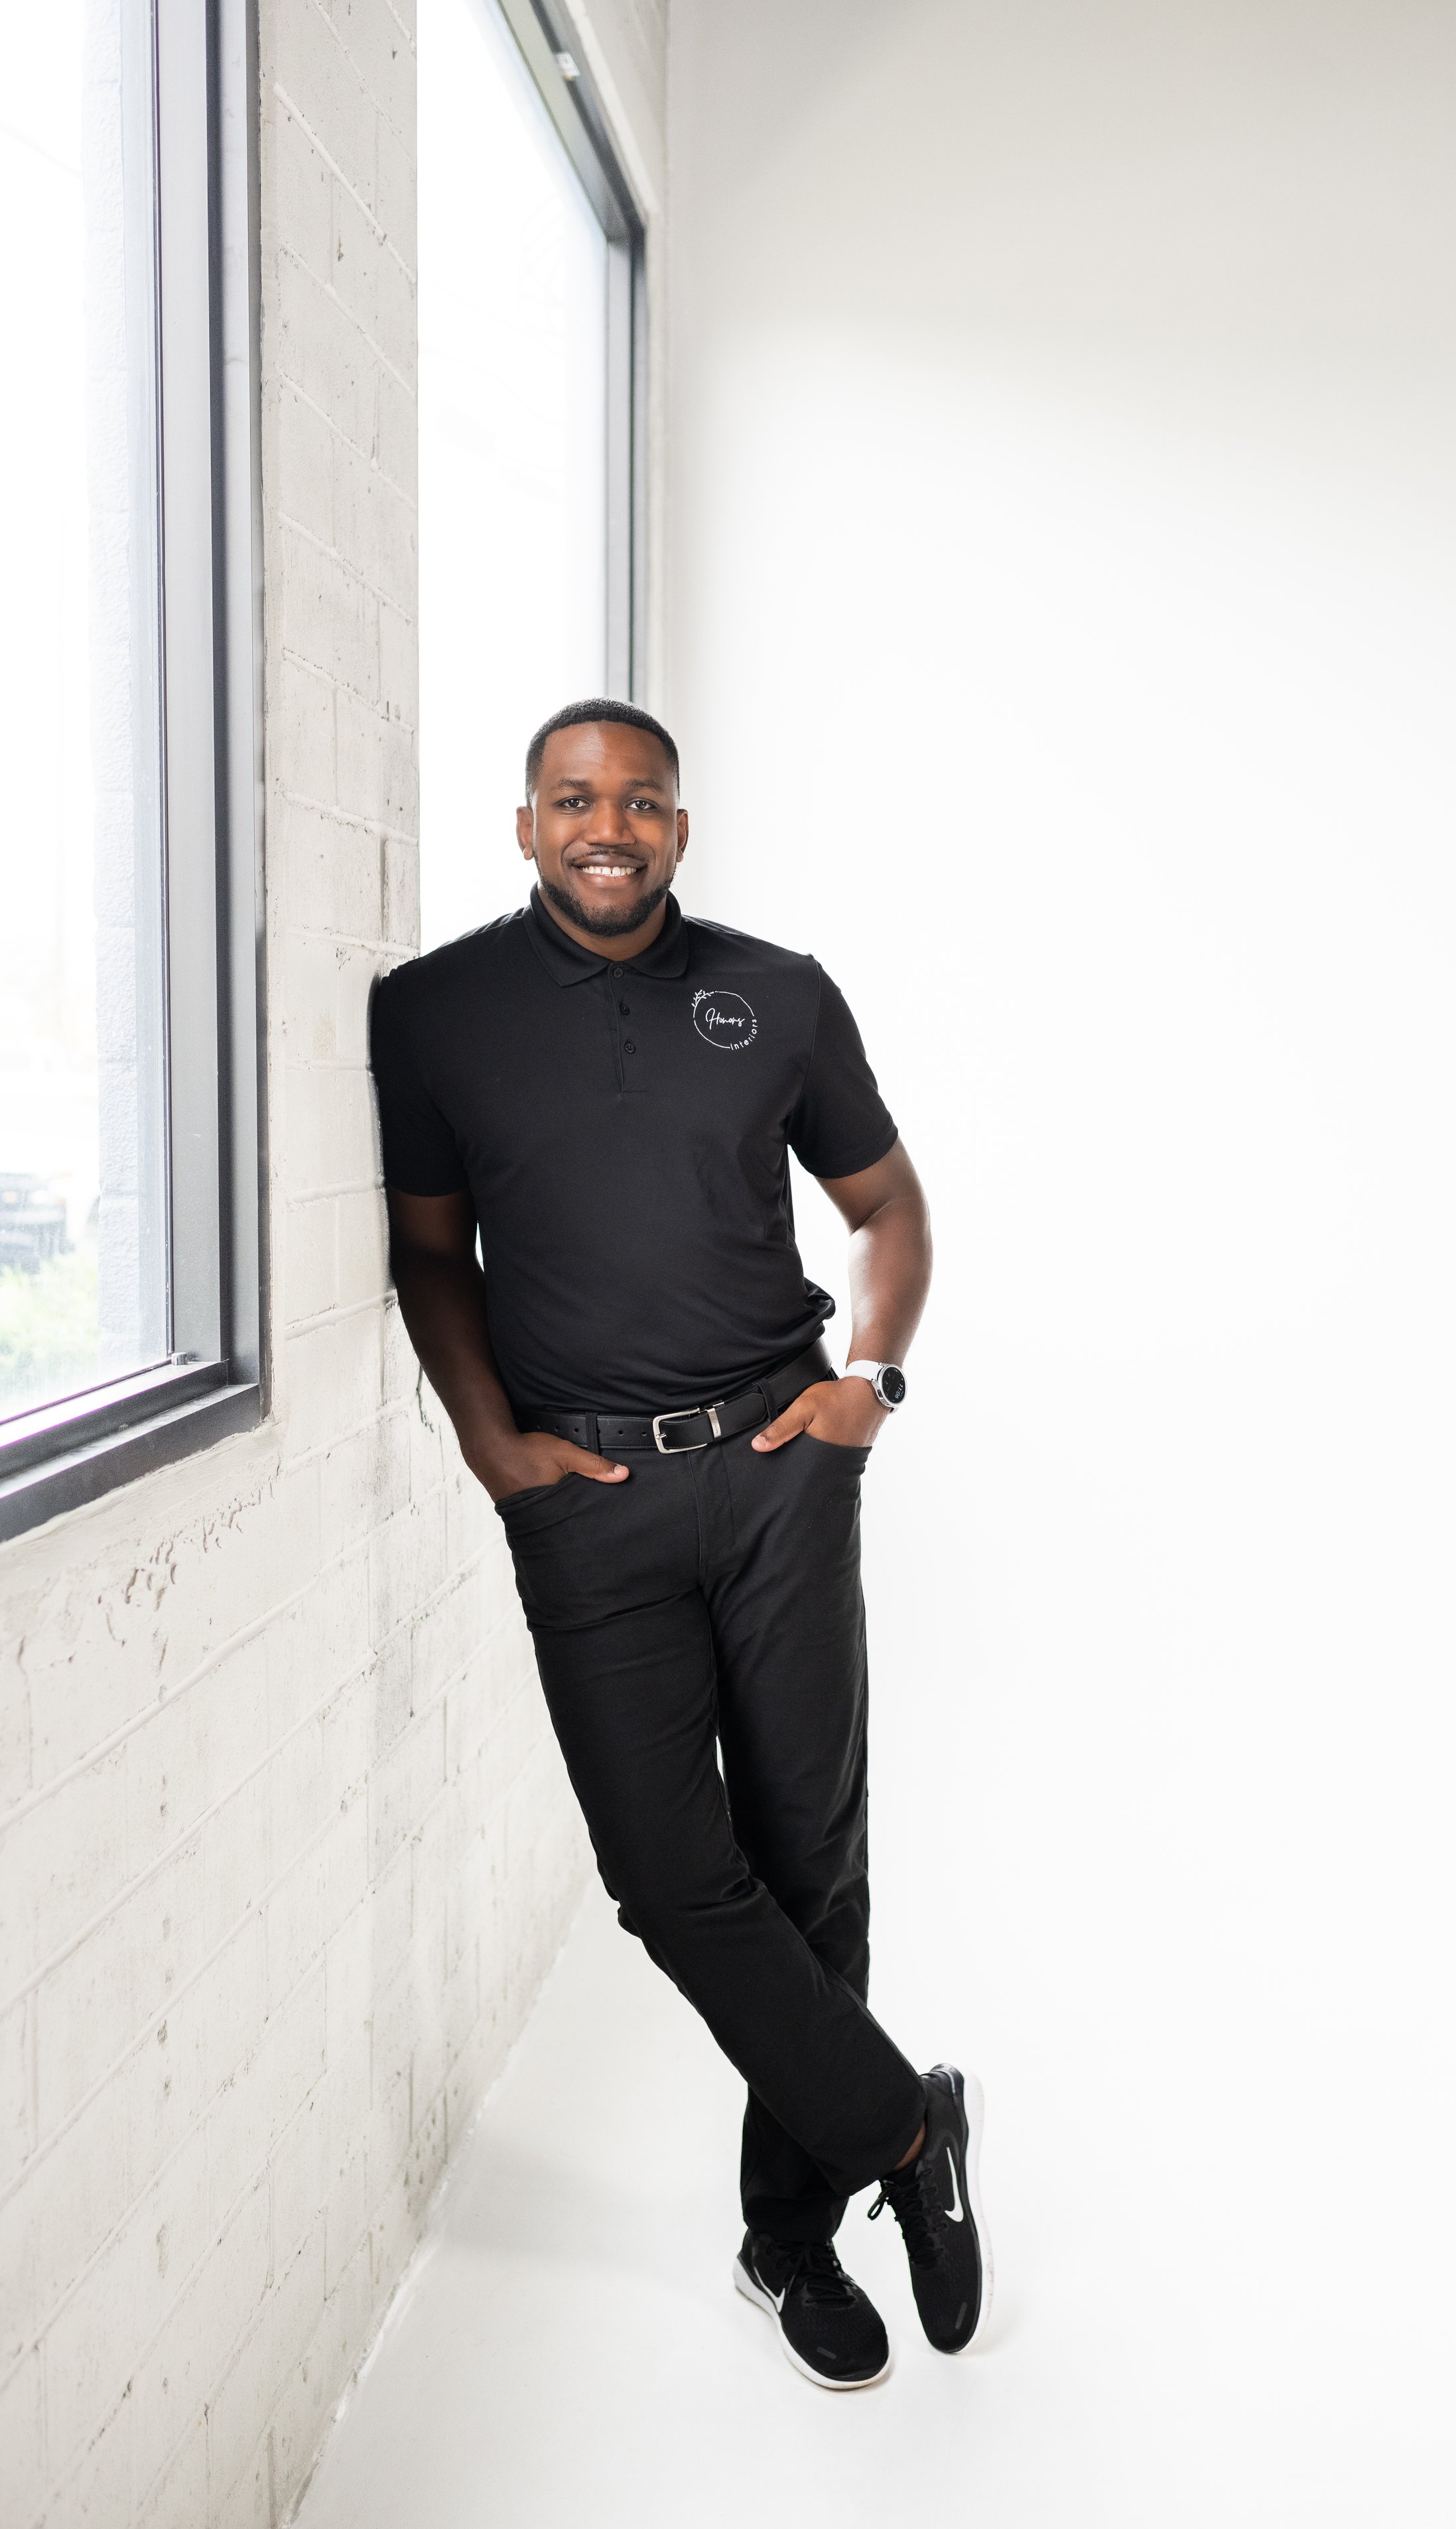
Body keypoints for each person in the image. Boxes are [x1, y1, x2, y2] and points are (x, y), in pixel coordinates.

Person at [369, 697, 989, 2390]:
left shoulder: (776, 992)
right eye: (574, 798)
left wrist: (870, 1379)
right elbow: (433, 1256)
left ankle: (784, 2240)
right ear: (524, 826)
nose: (608, 826)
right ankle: (903, 2128)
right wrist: (497, 1452)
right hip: (588, 1510)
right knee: (666, 1876)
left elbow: (888, 1206)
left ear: (678, 828)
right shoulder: (430, 1014)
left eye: (641, 800)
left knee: (810, 1859)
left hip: (780, 1468)